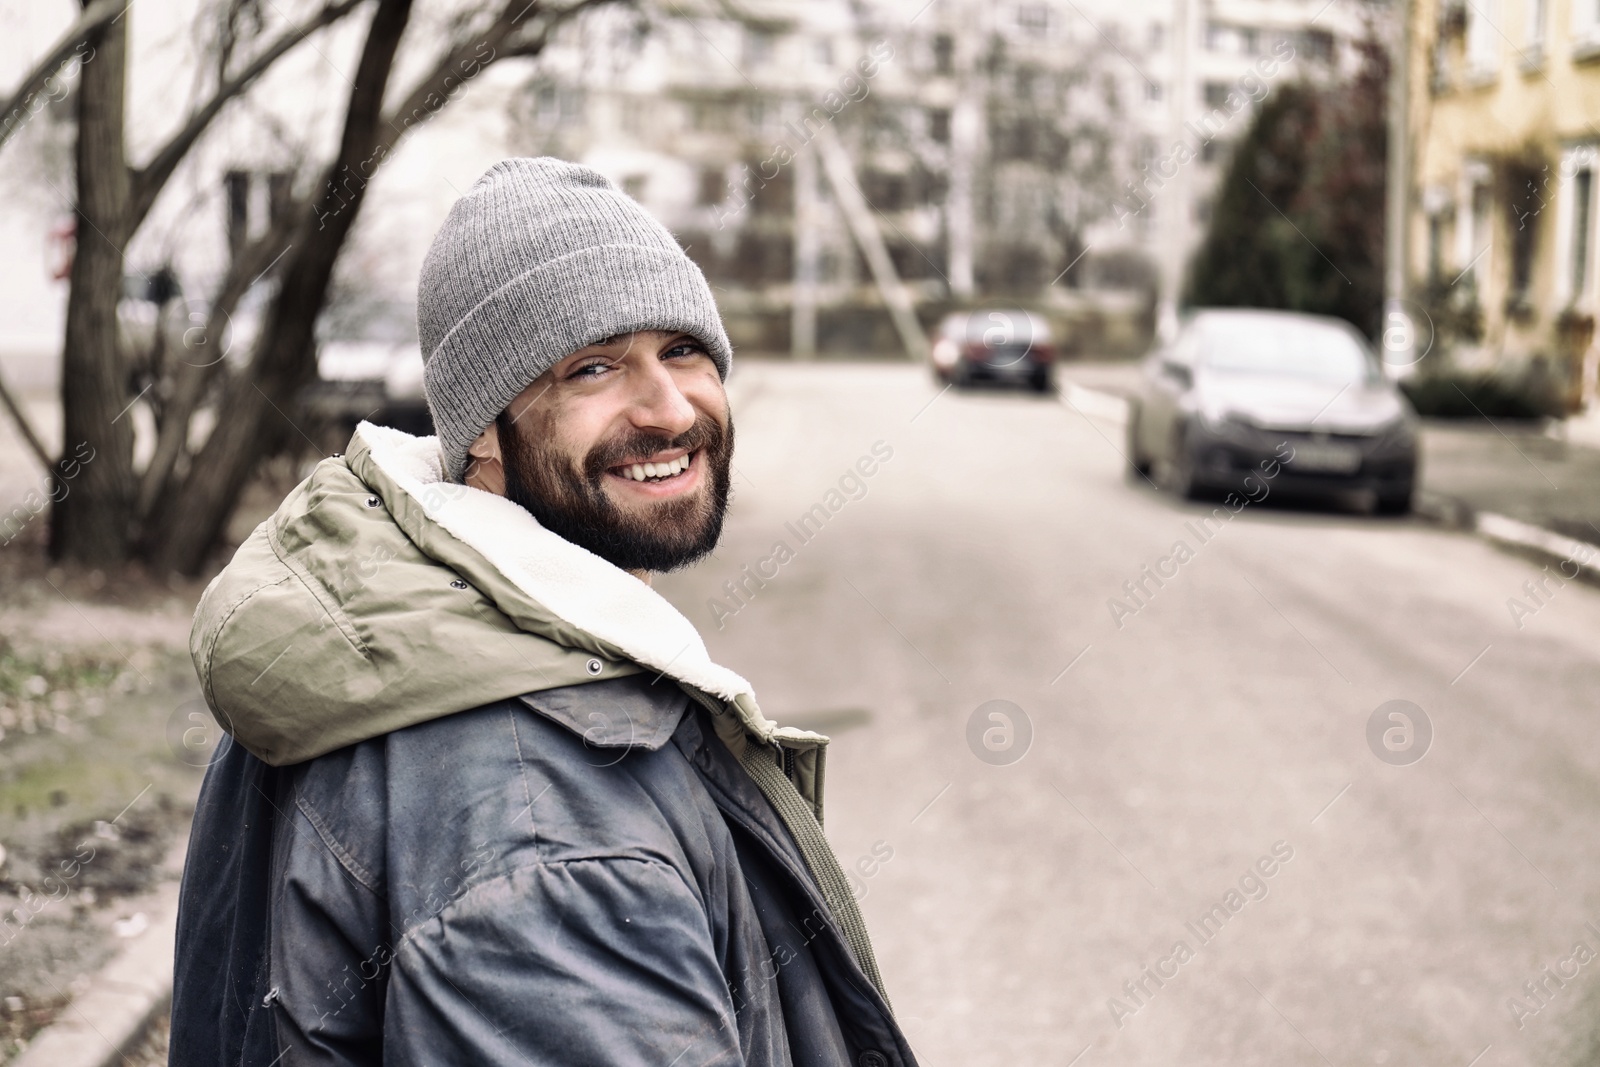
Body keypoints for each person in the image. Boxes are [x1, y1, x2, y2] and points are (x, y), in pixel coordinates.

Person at [169, 158, 914, 1067]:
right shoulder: (550, 838)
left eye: (682, 350)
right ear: (483, 427)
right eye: (594, 367)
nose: (671, 407)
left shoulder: (384, 629)